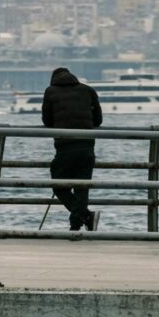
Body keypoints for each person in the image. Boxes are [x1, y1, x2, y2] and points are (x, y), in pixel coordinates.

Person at [41, 67, 102, 231]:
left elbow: (47, 121)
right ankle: (80, 220)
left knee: (59, 185)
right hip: (87, 145)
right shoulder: (88, 90)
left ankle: (83, 218)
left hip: (65, 146)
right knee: (82, 187)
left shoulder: (50, 91)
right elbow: (98, 120)